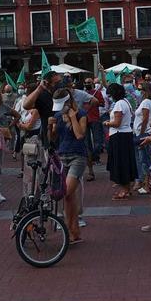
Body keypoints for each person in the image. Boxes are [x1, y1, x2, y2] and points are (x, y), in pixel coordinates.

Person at [49, 89, 87, 243]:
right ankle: (74, 231)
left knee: (66, 192)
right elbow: (52, 138)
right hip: (62, 155)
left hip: (78, 156)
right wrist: (49, 127)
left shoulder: (81, 114)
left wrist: (73, 118)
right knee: (69, 196)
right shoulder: (58, 115)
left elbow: (80, 135)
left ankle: (67, 228)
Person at [105, 83, 137, 199]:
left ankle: (124, 190)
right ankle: (126, 188)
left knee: (120, 163)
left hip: (119, 135)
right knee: (125, 162)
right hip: (126, 134)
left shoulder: (119, 104)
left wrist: (107, 123)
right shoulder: (126, 102)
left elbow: (117, 123)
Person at [134, 83, 151, 188]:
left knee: (144, 159)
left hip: (144, 132)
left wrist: (141, 133)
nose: (140, 91)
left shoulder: (146, 102)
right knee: (144, 158)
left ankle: (147, 183)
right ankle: (146, 182)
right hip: (141, 131)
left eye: (141, 89)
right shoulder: (146, 102)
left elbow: (145, 118)